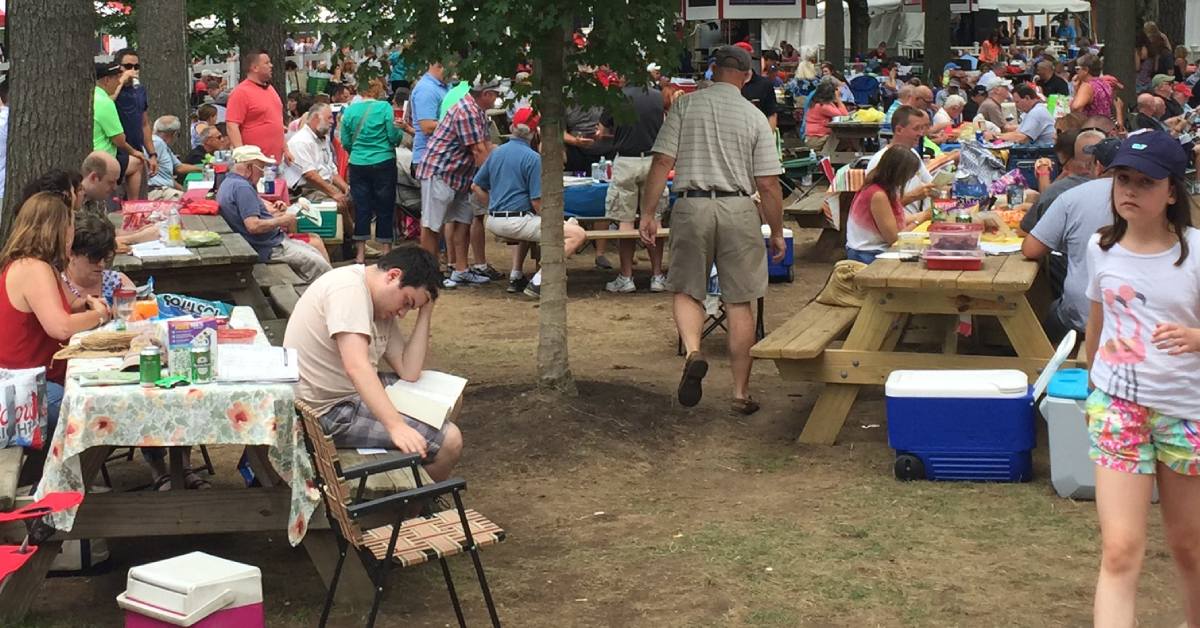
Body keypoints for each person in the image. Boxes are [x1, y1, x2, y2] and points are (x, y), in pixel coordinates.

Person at [1078, 130, 1200, 628]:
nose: (1129, 190)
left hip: (1185, 412)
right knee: (1121, 549)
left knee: (1189, 547)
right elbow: (1096, 322)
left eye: (1145, 182)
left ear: (1172, 191)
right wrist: (1092, 383)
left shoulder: (1194, 251)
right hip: (1118, 408)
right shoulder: (1101, 248)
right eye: (1122, 179)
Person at [637, 44, 785, 416]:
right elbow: (768, 184)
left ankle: (693, 351)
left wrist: (648, 212)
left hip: (692, 202)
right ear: (747, 76)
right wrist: (778, 231)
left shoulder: (685, 106)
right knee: (740, 300)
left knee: (687, 288)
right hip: (738, 206)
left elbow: (662, 161)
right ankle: (739, 391)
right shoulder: (754, 117)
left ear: (712, 70)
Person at [283, 246, 462, 481]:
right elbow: (357, 366)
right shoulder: (349, 291)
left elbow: (409, 371)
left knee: (450, 397)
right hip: (326, 412)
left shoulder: (379, 304)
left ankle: (411, 486)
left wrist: (425, 311)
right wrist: (396, 427)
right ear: (393, 276)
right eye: (407, 302)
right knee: (450, 441)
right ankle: (407, 511)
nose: (403, 313)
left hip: (347, 396)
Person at [0, 193, 110, 438]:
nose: (71, 235)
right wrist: (100, 316)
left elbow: (71, 307)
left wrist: (87, 305)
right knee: (95, 412)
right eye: (70, 227)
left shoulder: (40, 266)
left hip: (38, 380)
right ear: (57, 230)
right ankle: (60, 474)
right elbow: (60, 327)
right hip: (24, 390)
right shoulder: (32, 268)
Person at [475, 109, 586, 298]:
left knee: (529, 225)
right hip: (517, 222)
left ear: (512, 127)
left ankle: (516, 275)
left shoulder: (496, 153)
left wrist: (491, 206)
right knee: (577, 234)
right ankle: (539, 281)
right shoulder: (534, 159)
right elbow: (537, 202)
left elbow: (476, 186)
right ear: (536, 132)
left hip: (493, 219)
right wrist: (561, 222)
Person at [1019, 133, 1114, 339]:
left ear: (1096, 166)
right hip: (1137, 315)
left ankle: (1035, 355)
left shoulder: (1072, 195)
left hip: (1086, 316)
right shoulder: (1154, 207)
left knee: (1045, 314)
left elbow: (1031, 249)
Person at [414, 78, 500, 289]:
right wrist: (489, 182)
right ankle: (428, 274)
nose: (498, 98)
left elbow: (488, 146)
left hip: (460, 175)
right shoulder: (468, 111)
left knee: (463, 221)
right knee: (432, 225)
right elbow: (479, 151)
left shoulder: (478, 111)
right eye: (496, 94)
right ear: (486, 94)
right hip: (440, 172)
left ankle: (461, 271)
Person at [216, 145, 331, 282]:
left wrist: (276, 215)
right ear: (248, 168)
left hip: (265, 243)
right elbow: (253, 226)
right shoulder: (242, 187)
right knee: (320, 266)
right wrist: (283, 220)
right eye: (261, 168)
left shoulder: (229, 182)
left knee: (314, 253)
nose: (263, 173)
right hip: (268, 247)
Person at [598, 75, 669, 294]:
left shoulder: (617, 97)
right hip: (653, 159)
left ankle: (626, 277)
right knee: (654, 220)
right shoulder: (659, 97)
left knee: (625, 221)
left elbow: (602, 129)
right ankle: (657, 276)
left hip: (626, 161)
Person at [341, 79, 403, 265]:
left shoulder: (350, 110)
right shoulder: (385, 108)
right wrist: (398, 137)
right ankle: (386, 252)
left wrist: (358, 151)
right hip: (383, 161)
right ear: (377, 90)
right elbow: (393, 135)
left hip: (358, 163)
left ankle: (360, 254)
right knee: (385, 206)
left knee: (361, 207)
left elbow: (345, 140)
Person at [845, 147, 922, 264]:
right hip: (866, 254)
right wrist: (919, 221)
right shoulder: (877, 195)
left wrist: (925, 215)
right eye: (910, 174)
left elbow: (895, 220)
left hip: (872, 250)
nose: (910, 178)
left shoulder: (884, 188)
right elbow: (895, 239)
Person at [866, 106, 935, 218]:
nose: (921, 134)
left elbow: (930, 183)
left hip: (914, 219)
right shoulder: (881, 160)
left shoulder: (913, 153)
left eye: (922, 128)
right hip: (897, 225)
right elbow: (879, 209)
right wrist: (912, 196)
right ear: (899, 130)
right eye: (916, 128)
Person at [93, 62, 147, 201]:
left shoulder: (92, 96)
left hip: (92, 153)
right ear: (106, 80)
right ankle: (133, 205)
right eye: (116, 78)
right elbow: (119, 139)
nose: (118, 82)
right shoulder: (105, 102)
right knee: (137, 163)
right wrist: (135, 152)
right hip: (103, 157)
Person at [108, 49, 156, 201]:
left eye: (136, 67)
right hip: (116, 153)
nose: (132, 71)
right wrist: (121, 81)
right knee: (115, 204)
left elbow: (144, 123)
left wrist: (152, 154)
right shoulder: (109, 87)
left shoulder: (139, 90)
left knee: (139, 203)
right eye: (128, 66)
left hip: (137, 151)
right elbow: (107, 104)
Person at [226, 49, 289, 163]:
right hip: (255, 162)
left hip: (276, 160)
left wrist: (286, 148)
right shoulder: (241, 92)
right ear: (254, 68)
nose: (271, 65)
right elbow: (232, 126)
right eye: (266, 63)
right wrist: (242, 156)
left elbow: (277, 123)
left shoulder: (270, 89)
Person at [285, 103, 351, 210]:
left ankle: (353, 226)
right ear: (316, 118)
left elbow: (332, 172)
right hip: (307, 191)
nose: (332, 121)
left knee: (353, 199)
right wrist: (334, 193)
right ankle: (348, 227)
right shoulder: (301, 141)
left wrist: (346, 188)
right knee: (340, 206)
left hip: (323, 187)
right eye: (329, 118)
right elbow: (310, 176)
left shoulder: (323, 138)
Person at [147, 116, 203, 200]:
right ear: (175, 133)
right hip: (156, 192)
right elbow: (178, 169)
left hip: (163, 189)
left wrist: (203, 168)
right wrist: (203, 168)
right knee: (198, 201)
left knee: (193, 197)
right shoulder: (157, 143)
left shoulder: (161, 144)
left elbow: (178, 167)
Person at [409, 60, 449, 172]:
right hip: (429, 160)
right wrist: (458, 123)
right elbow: (427, 127)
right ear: (441, 66)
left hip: (440, 157)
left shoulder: (443, 86)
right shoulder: (426, 89)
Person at [987, 84, 1055, 145]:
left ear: (1027, 98)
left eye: (1017, 102)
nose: (1016, 106)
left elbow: (1022, 138)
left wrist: (995, 136)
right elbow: (1018, 132)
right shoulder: (1036, 109)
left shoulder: (1036, 112)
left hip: (1043, 151)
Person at [1071, 55, 1124, 131]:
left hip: (1092, 129)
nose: (1076, 72)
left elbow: (1076, 107)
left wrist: (1076, 93)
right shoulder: (1104, 83)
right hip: (1106, 127)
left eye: (1078, 69)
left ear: (1086, 70)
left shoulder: (1087, 86)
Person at [803, 80, 847, 152]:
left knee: (843, 139)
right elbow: (844, 115)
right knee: (842, 138)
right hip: (816, 139)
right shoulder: (822, 106)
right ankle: (827, 157)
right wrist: (838, 99)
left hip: (812, 138)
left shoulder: (816, 103)